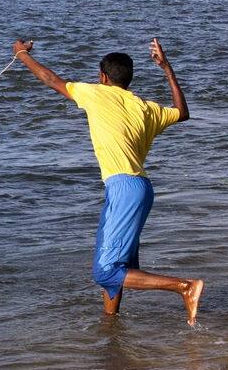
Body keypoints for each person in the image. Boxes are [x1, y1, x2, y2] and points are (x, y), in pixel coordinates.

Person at [12, 36, 204, 324]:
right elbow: (182, 113)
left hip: (125, 189)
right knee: (118, 267)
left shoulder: (95, 93)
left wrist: (21, 55)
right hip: (137, 189)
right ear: (128, 79)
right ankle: (110, 325)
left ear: (102, 77)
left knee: (106, 271)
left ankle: (185, 287)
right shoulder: (146, 108)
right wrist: (166, 68)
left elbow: (49, 78)